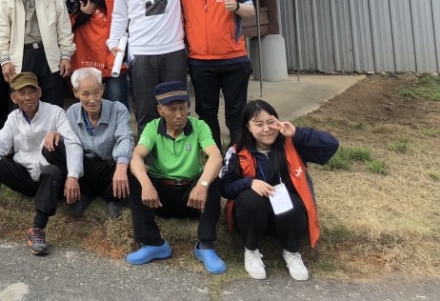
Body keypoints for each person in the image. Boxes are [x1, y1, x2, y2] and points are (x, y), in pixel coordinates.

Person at [107, 0, 243, 133]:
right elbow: (119, 16)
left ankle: (181, 153)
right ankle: (150, 159)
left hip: (174, 50)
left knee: (177, 106)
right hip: (142, 52)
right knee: (146, 109)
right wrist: (113, 42)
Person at [0, 72, 82, 256]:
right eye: (21, 93)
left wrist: (73, 175)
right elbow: (0, 142)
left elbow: (73, 143)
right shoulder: (13, 118)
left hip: (48, 178)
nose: (27, 97)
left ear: (39, 92)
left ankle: (38, 229)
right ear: (14, 97)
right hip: (24, 175)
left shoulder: (55, 112)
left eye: (31, 91)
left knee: (53, 171)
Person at [221, 99, 339, 281]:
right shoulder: (237, 151)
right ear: (248, 127)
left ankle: (291, 252)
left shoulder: (290, 144)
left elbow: (331, 145)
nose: (267, 129)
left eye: (271, 122)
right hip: (253, 214)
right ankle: (251, 251)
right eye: (259, 124)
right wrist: (249, 183)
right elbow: (225, 188)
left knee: (293, 202)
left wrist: (296, 133)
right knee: (249, 199)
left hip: (285, 214)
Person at [126, 81, 226, 274]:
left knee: (213, 178)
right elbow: (137, 156)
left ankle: (205, 246)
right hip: (160, 198)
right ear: (160, 110)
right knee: (135, 175)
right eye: (172, 109)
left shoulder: (199, 126)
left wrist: (203, 184)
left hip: (193, 198)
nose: (179, 115)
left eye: (183, 108)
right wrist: (146, 184)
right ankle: (153, 243)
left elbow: (216, 156)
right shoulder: (152, 127)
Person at [182, 0, 256, 150]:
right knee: (206, 113)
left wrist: (237, 7)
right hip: (200, 60)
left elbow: (250, 10)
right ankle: (214, 159)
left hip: (234, 58)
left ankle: (238, 157)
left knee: (236, 113)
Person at [64, 67, 134, 218]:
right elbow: (70, 145)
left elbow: (125, 137)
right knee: (55, 148)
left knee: (129, 160)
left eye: (96, 92)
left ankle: (115, 198)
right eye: (85, 94)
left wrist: (122, 166)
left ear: (102, 89)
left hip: (109, 166)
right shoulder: (71, 113)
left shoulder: (118, 109)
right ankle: (83, 194)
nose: (92, 99)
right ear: (76, 93)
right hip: (85, 168)